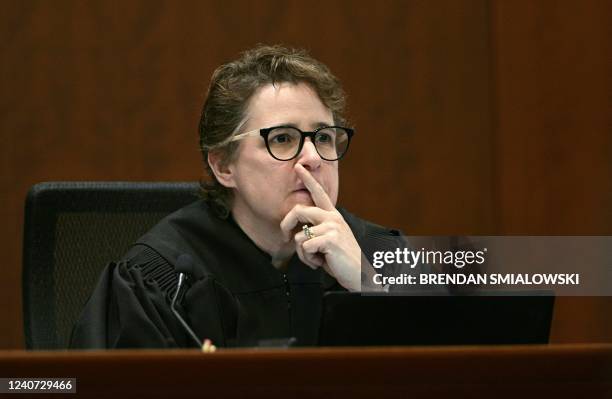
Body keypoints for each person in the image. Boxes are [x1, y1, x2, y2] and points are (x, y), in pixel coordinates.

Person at [70, 45, 404, 349]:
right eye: (283, 138)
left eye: (324, 137)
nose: (313, 157)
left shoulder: (385, 249)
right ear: (223, 165)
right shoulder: (160, 276)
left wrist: (370, 281)